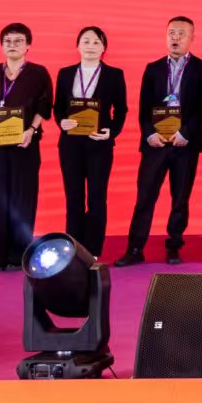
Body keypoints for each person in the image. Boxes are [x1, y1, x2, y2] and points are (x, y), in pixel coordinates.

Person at [117, 16, 202, 267]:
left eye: (181, 33)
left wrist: (186, 133)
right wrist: (149, 134)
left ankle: (173, 247)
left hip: (185, 144)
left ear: (192, 38)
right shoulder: (153, 68)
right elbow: (144, 107)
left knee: (180, 198)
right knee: (145, 197)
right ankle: (135, 248)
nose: (175, 38)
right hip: (156, 143)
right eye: (171, 33)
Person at [0, 23, 53, 271]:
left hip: (25, 145)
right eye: (8, 41)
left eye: (18, 41)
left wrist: (31, 131)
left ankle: (19, 255)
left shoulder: (38, 73)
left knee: (23, 199)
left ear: (28, 45)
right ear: (1, 45)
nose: (13, 45)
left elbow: (44, 106)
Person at [53, 26, 128, 259]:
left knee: (96, 197)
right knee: (73, 196)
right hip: (70, 145)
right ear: (77, 46)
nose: (91, 46)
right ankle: (73, 249)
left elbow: (122, 110)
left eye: (96, 42)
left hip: (99, 144)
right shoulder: (65, 73)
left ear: (104, 48)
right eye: (86, 41)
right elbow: (58, 107)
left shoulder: (114, 75)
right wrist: (61, 122)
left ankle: (93, 250)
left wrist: (111, 132)